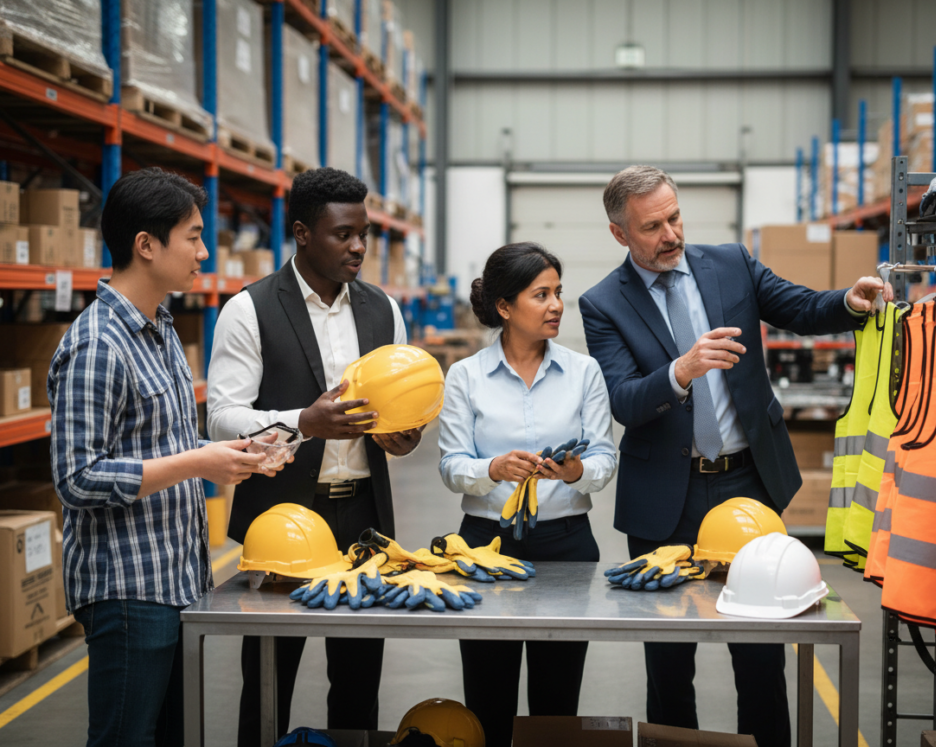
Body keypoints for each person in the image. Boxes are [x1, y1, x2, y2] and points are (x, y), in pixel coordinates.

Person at [579, 165, 892, 747]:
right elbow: (623, 399)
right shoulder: (602, 303)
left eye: (674, 216)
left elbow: (798, 307)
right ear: (621, 234)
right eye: (653, 226)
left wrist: (847, 302)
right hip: (664, 503)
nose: (671, 233)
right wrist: (681, 370)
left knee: (760, 654)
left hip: (746, 485)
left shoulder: (730, 263)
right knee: (670, 663)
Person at [48, 168, 276, 747]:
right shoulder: (98, 343)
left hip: (177, 578)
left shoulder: (162, 328)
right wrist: (198, 465)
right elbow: (75, 478)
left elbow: (165, 445)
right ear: (146, 245)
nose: (204, 252)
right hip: (128, 588)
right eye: (193, 237)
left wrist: (229, 453)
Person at [206, 167, 422, 745]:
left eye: (364, 233)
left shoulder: (384, 311)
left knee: (358, 680)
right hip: (283, 516)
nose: (358, 247)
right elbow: (222, 417)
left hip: (364, 518)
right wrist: (304, 422)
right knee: (270, 676)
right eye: (342, 234)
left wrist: (404, 435)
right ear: (301, 232)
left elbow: (400, 407)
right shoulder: (248, 310)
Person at [438, 242, 618, 747]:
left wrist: (575, 470)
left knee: (557, 703)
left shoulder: (585, 373)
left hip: (567, 545)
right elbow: (451, 465)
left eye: (559, 292)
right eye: (541, 294)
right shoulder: (466, 376)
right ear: (504, 307)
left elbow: (605, 459)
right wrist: (492, 467)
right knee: (488, 695)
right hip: (483, 548)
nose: (557, 305)